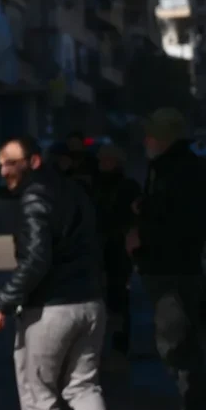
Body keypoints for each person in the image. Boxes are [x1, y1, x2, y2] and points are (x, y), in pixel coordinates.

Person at [0, 135, 119, 410]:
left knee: (36, 393)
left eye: (12, 162)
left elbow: (37, 258)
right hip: (91, 304)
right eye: (1, 163)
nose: (4, 170)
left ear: (35, 161)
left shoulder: (35, 196)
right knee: (83, 384)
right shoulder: (75, 191)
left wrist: (1, 302)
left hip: (52, 310)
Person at [127, 108, 206, 410]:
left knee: (181, 351)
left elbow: (182, 225)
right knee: (175, 350)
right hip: (164, 269)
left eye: (151, 134)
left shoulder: (182, 171)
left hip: (175, 272)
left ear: (165, 137)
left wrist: (141, 235)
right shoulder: (164, 167)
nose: (145, 141)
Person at [91, 144, 140, 360]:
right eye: (102, 160)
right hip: (97, 246)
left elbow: (136, 215)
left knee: (118, 295)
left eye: (109, 160)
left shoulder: (127, 186)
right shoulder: (94, 185)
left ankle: (120, 341)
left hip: (118, 246)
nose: (105, 164)